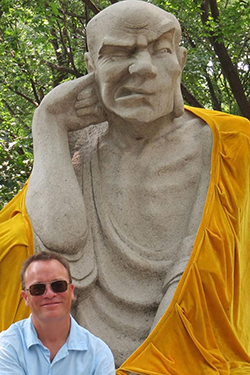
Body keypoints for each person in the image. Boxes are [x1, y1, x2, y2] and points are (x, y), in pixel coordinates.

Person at [1, 0, 250, 373]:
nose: (143, 69)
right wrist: (49, 124)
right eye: (118, 54)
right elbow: (55, 245)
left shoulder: (230, 145)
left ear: (180, 61)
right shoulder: (77, 149)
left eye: (161, 50)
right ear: (91, 68)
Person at [0, 251, 115, 375]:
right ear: (26, 297)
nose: (49, 294)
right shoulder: (7, 347)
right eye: (38, 288)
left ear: (71, 291)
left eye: (58, 285)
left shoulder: (98, 354)